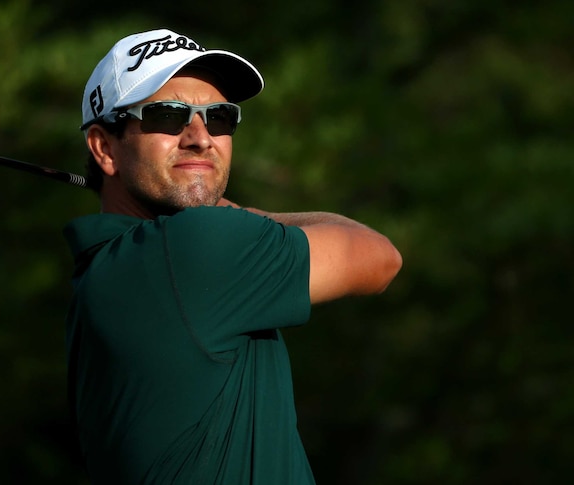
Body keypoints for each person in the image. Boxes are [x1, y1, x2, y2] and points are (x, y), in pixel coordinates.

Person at [63, 28, 402, 484]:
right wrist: (233, 211)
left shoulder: (105, 267)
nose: (200, 137)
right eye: (168, 115)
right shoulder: (191, 249)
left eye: (219, 117)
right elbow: (379, 257)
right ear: (105, 148)